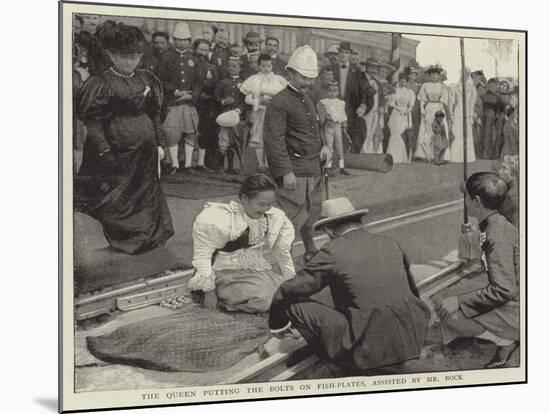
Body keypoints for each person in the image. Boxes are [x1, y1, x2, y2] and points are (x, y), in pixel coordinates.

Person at [268, 197, 431, 372]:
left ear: (329, 230)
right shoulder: (390, 243)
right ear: (358, 221)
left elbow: (287, 290)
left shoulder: (332, 251)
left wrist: (277, 324)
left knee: (295, 304)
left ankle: (335, 360)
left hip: (369, 350)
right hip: (412, 337)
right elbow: (412, 290)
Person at [75, 23, 174, 254]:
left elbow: (155, 115)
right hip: (119, 150)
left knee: (147, 193)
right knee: (121, 196)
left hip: (146, 151)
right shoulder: (101, 83)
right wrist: (104, 151)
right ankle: (127, 238)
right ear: (111, 54)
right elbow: (93, 122)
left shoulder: (147, 79)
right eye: (124, 57)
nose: (131, 62)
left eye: (135, 57)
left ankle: (149, 236)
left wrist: (161, 144)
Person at [436, 172, 519, 369]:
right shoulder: (496, 223)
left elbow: (505, 290)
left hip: (515, 308)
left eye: (466, 197)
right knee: (448, 302)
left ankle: (505, 340)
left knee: (449, 313)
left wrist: (459, 300)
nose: (464, 200)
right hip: (514, 299)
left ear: (476, 201)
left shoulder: (496, 234)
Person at [188, 173, 296, 313]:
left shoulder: (273, 217)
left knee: (289, 294)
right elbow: (203, 257)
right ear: (244, 199)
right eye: (261, 204)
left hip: (250, 270)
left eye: (269, 204)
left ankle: (250, 294)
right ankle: (228, 305)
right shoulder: (221, 220)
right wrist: (209, 292)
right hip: (221, 274)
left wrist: (289, 278)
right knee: (265, 301)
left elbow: (284, 249)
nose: (265, 209)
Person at [264, 45, 332, 263]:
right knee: (291, 216)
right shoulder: (279, 102)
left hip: (314, 168)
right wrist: (285, 172)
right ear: (290, 73)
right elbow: (274, 141)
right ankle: (282, 260)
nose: (309, 83)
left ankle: (310, 248)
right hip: (294, 171)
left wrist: (325, 146)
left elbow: (316, 126)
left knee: (312, 212)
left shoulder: (308, 97)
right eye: (304, 78)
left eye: (312, 78)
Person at [156, 21, 202, 175]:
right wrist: (174, 91)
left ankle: (188, 164)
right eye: (178, 39)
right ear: (173, 40)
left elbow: (199, 81)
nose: (181, 42)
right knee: (172, 133)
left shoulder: (194, 59)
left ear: (189, 41)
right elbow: (160, 80)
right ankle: (174, 164)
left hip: (189, 103)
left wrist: (191, 95)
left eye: (185, 40)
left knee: (190, 132)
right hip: (173, 102)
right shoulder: (166, 57)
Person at [240, 53, 288, 172]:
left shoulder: (279, 80)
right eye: (263, 66)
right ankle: (261, 164)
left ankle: (268, 164)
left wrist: (272, 102)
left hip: (273, 113)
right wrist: (258, 100)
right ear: (259, 66)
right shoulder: (254, 80)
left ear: (272, 66)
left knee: (271, 138)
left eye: (268, 66)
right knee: (259, 137)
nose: (265, 69)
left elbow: (284, 98)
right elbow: (247, 98)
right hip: (259, 112)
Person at [330, 42, 367, 155]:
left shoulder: (357, 71)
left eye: (346, 52)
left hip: (351, 105)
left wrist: (363, 104)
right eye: (341, 52)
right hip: (334, 104)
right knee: (334, 129)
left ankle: (350, 155)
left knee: (351, 128)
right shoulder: (331, 68)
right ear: (338, 53)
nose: (343, 55)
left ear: (349, 54)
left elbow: (362, 89)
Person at [193, 38, 221, 172]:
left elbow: (215, 83)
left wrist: (207, 93)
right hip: (191, 101)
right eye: (200, 49)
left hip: (205, 103)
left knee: (205, 130)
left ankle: (201, 163)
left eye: (205, 50)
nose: (202, 53)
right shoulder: (190, 63)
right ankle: (184, 161)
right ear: (195, 50)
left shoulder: (211, 67)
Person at [214, 56, 246, 173]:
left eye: (235, 66)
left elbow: (245, 100)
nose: (231, 68)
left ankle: (233, 166)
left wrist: (238, 110)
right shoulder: (223, 82)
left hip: (237, 116)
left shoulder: (244, 83)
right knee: (224, 139)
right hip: (225, 115)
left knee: (235, 140)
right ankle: (221, 165)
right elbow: (216, 97)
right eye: (230, 66)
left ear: (240, 68)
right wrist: (223, 101)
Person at [415, 65, 450, 162]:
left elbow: (444, 100)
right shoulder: (425, 85)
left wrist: (439, 110)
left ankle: (440, 155)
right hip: (429, 108)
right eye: (432, 75)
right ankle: (427, 155)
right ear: (430, 76)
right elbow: (422, 98)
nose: (434, 76)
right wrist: (422, 109)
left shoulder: (442, 86)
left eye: (436, 75)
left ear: (439, 76)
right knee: (428, 130)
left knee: (439, 130)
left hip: (439, 109)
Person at [317, 81, 350, 175]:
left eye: (334, 90)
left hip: (338, 126)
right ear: (327, 91)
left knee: (339, 146)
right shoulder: (324, 102)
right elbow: (322, 115)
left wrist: (344, 127)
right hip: (328, 126)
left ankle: (342, 167)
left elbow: (343, 115)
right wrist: (325, 117)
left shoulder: (340, 103)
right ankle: (328, 167)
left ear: (338, 92)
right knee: (329, 146)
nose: (332, 93)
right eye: (330, 90)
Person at [449, 68, 477, 163]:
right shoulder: (456, 87)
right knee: (457, 133)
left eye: (467, 74)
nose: (465, 75)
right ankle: (456, 157)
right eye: (463, 73)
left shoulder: (472, 88)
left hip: (467, 113)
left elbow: (472, 103)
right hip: (457, 112)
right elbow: (452, 102)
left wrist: (471, 115)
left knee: (467, 134)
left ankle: (468, 157)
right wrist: (451, 113)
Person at [386, 73, 415, 163]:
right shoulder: (395, 90)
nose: (403, 82)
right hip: (396, 114)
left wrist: (407, 110)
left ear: (407, 82)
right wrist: (398, 108)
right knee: (395, 133)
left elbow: (411, 104)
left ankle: (403, 157)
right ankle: (393, 156)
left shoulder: (410, 92)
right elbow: (391, 103)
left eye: (405, 81)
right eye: (401, 80)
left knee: (404, 134)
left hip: (405, 115)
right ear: (399, 81)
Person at [361, 58, 384, 154]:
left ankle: (370, 151)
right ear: (366, 67)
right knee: (365, 132)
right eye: (371, 67)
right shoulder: (361, 79)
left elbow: (381, 96)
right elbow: (362, 94)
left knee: (372, 132)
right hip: (365, 111)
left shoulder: (377, 82)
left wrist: (381, 106)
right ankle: (363, 151)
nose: (374, 70)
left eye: (375, 68)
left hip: (375, 111)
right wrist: (372, 89)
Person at [377, 62, 397, 153]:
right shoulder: (375, 82)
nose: (383, 74)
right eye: (382, 71)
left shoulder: (389, 87)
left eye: (385, 72)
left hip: (382, 110)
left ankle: (379, 150)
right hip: (372, 108)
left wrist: (385, 104)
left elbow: (390, 100)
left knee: (380, 127)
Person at [480, 78, 500, 159]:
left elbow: (498, 107)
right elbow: (481, 107)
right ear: (488, 86)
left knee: (495, 135)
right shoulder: (484, 96)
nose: (492, 87)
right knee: (487, 135)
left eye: (494, 85)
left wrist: (497, 114)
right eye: (490, 85)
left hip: (495, 117)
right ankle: (486, 154)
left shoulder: (497, 97)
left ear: (496, 86)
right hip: (486, 117)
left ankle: (494, 153)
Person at [498, 155, 519, 227]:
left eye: (504, 168)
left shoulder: (511, 197)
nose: (500, 171)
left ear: (515, 173)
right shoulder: (512, 189)